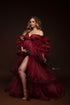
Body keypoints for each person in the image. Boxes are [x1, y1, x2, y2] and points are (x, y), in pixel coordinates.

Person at [4, 16, 65, 101]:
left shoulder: (40, 32)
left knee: (24, 71)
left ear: (36, 23)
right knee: (21, 70)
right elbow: (21, 41)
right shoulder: (28, 31)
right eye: (30, 22)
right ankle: (26, 94)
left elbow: (43, 45)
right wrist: (22, 48)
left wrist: (43, 56)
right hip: (27, 54)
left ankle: (26, 95)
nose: (31, 23)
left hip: (34, 55)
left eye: (33, 21)